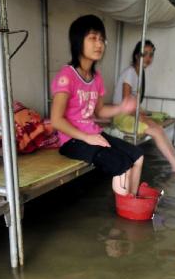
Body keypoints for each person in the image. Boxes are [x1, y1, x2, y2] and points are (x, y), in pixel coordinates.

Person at [51, 15, 145, 196]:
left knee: (138, 155)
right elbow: (56, 120)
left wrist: (121, 108)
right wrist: (86, 137)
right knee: (122, 164)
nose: (99, 44)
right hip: (72, 140)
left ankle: (132, 201)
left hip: (93, 134)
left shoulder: (97, 77)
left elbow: (100, 111)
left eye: (102, 39)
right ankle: (126, 213)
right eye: (93, 38)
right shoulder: (67, 75)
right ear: (78, 41)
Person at [113, 40, 175, 175]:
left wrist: (145, 113)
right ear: (137, 56)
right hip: (120, 115)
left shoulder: (139, 74)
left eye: (151, 55)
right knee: (155, 129)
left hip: (129, 113)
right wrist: (141, 116)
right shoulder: (130, 73)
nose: (148, 58)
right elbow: (126, 103)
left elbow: (135, 103)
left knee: (158, 127)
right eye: (145, 54)